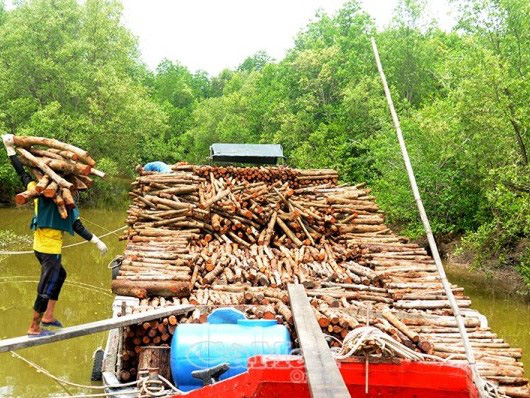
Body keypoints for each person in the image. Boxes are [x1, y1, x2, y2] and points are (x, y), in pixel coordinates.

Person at [1, 134, 108, 337]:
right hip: (50, 251)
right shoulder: (63, 201)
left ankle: (48, 316)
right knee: (46, 285)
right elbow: (77, 225)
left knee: (61, 275)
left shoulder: (36, 190)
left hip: (39, 248)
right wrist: (97, 241)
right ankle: (34, 327)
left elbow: (22, 174)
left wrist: (10, 151)